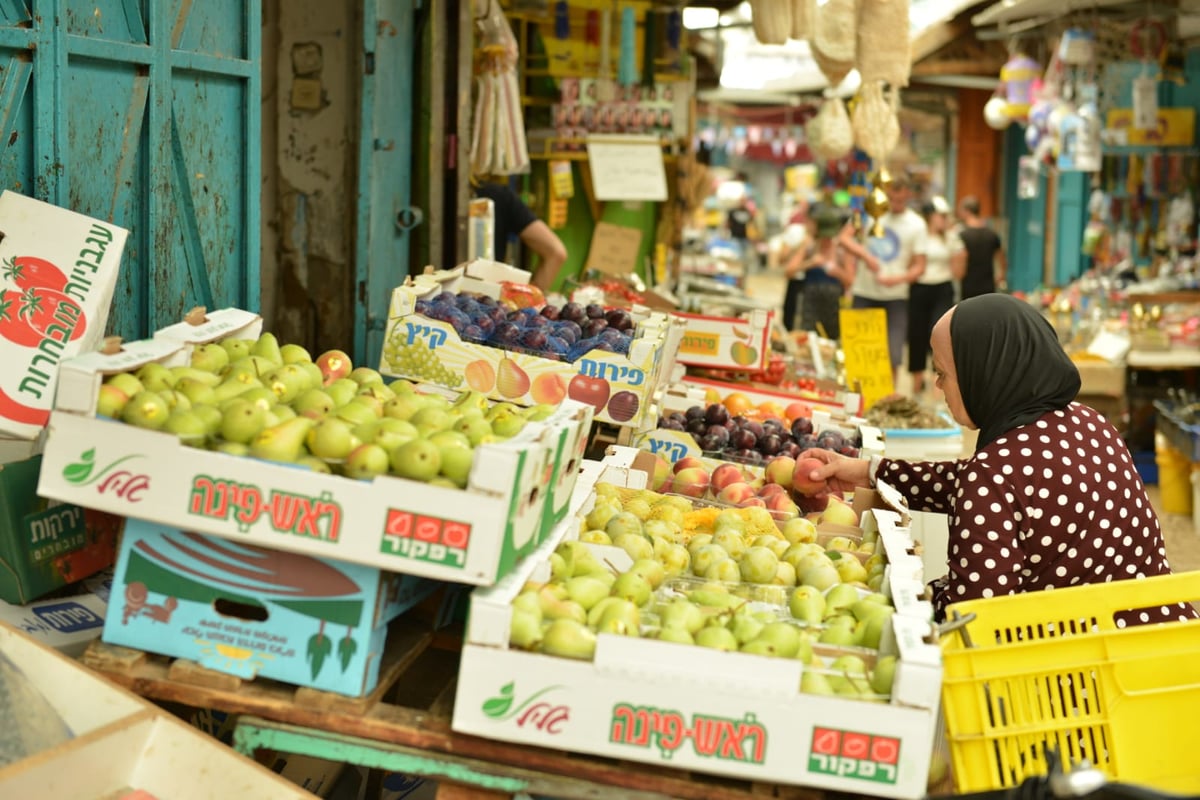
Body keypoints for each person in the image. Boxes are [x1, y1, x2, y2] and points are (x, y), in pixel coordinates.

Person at [794, 294, 1197, 626]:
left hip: (1078, 679)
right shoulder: (1089, 422)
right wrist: (867, 471)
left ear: (983, 372)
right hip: (1157, 642)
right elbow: (991, 484)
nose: (937, 387)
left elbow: (975, 618)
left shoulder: (993, 475)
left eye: (943, 373)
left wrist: (896, 605)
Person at [851, 174, 928, 384]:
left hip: (896, 297)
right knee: (859, 351)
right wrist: (866, 256)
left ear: (908, 196)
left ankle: (887, 401)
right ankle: (858, 397)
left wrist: (898, 279)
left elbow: (920, 266)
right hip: (864, 292)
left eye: (901, 200)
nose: (895, 205)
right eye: (892, 200)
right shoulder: (870, 212)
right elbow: (843, 237)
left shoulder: (917, 224)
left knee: (893, 354)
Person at [473, 180, 568, 293]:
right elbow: (556, 252)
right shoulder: (497, 195)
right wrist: (530, 302)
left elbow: (556, 253)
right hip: (487, 303)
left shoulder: (498, 196)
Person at [907, 197, 958, 395]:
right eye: (940, 216)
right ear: (930, 216)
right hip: (920, 287)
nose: (943, 220)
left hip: (943, 287)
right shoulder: (919, 235)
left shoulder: (950, 237)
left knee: (938, 332)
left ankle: (939, 379)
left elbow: (957, 266)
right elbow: (912, 262)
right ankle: (917, 382)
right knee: (917, 334)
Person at [785, 209, 854, 340]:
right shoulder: (809, 246)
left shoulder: (842, 251)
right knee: (807, 339)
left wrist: (837, 271)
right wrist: (810, 263)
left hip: (834, 307)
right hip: (810, 306)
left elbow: (850, 281)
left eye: (830, 237)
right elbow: (789, 271)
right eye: (824, 236)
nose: (827, 240)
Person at [955, 196, 1006, 299]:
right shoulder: (992, 234)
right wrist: (1001, 275)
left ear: (967, 211)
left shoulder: (962, 235)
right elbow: (1002, 259)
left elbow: (960, 265)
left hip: (968, 285)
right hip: (988, 285)